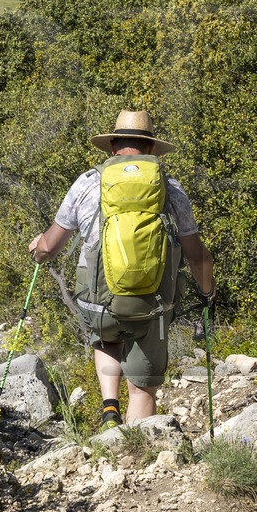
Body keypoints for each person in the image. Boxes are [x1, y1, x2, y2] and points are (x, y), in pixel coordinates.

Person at [28, 110, 214, 426]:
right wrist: (207, 292)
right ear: (152, 149)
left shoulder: (87, 183)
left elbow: (48, 248)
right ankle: (136, 448)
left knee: (107, 336)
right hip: (152, 306)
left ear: (112, 147)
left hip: (96, 304)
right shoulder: (171, 189)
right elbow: (197, 257)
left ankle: (110, 408)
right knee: (143, 390)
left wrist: (37, 250)